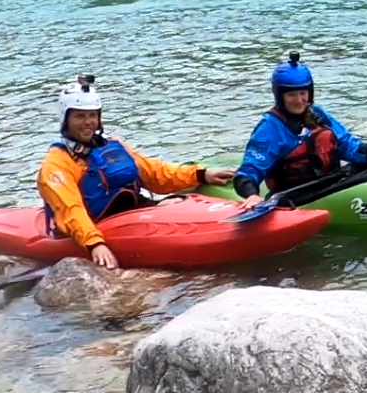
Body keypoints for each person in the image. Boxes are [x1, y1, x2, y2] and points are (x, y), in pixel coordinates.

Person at [37, 76, 233, 270]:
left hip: (130, 212)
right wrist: (94, 243)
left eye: (92, 115)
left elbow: (154, 173)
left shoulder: (112, 145)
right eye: (80, 116)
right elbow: (71, 209)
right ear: (66, 119)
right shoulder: (56, 164)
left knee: (174, 202)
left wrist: (200, 175)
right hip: (96, 225)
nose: (88, 122)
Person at [232, 52, 367, 199]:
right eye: (291, 95)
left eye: (303, 93)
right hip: (296, 196)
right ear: (280, 96)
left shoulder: (317, 114)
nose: (299, 100)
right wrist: (251, 196)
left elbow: (347, 144)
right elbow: (249, 171)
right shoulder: (269, 127)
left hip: (332, 184)